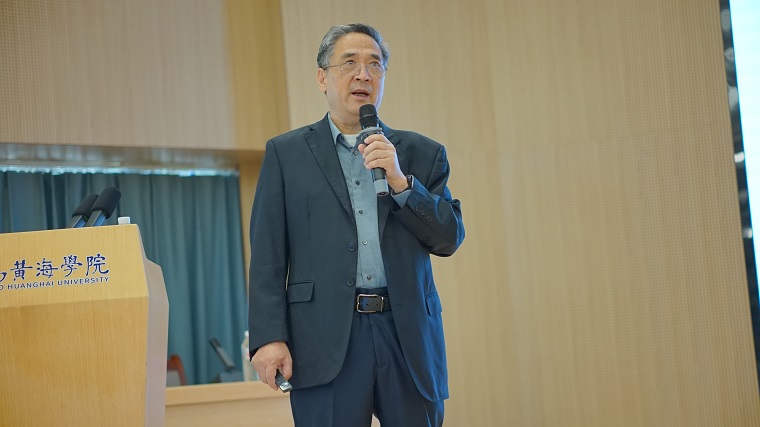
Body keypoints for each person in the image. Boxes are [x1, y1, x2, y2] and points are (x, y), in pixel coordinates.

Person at [248, 23, 465, 427]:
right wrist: (268, 336)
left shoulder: (421, 153)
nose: (363, 75)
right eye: (349, 63)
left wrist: (401, 183)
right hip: (324, 337)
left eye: (374, 65)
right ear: (322, 78)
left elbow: (448, 238)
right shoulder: (286, 154)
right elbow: (267, 256)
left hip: (407, 335)